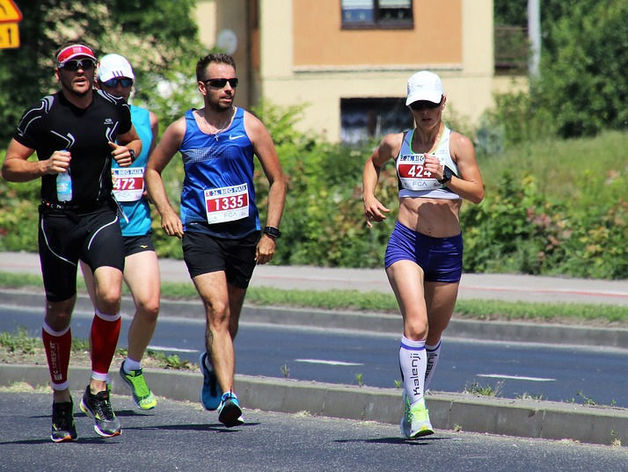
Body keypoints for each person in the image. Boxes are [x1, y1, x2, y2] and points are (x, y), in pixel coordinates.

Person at [1, 42, 142, 442]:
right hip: (58, 221)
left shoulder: (112, 107)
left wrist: (127, 152)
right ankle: (61, 397)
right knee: (60, 313)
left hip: (100, 214)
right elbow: (9, 167)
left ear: (94, 70)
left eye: (87, 65)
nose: (80, 71)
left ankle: (98, 388)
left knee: (110, 296)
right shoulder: (42, 114)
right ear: (58, 72)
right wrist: (42, 166)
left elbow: (133, 141)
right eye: (72, 66)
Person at [145, 53, 286, 428]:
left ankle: (211, 364)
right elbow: (153, 170)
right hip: (201, 232)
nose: (228, 89)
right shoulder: (181, 129)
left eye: (233, 83)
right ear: (202, 87)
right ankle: (229, 396)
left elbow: (278, 181)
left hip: (243, 234)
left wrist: (269, 233)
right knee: (217, 309)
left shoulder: (250, 126)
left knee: (230, 319)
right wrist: (167, 212)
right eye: (220, 83)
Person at [362, 70, 484, 439]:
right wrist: (368, 195)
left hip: (447, 248)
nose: (426, 111)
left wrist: (446, 176)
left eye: (431, 104)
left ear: (442, 102)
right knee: (415, 324)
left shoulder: (458, 145)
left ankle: (412, 397)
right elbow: (372, 163)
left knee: (433, 334)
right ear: (410, 106)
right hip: (406, 241)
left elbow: (477, 192)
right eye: (418, 105)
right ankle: (417, 410)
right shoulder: (397, 143)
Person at [79, 53, 160, 411]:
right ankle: (100, 384)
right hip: (96, 226)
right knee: (106, 311)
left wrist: (148, 187)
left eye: (127, 83)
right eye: (114, 83)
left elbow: (149, 164)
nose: (122, 89)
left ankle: (133, 366)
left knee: (150, 304)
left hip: (136, 225)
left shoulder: (147, 120)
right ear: (99, 85)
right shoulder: (86, 118)